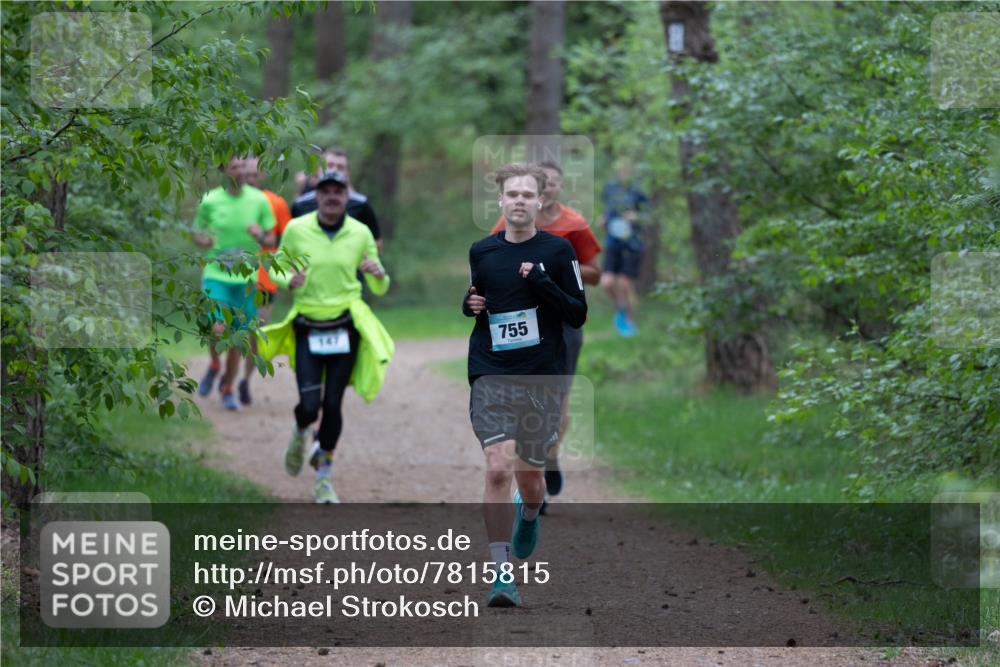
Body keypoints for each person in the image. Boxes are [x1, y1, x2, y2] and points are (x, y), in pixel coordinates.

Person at [464, 163, 587, 607]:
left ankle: (530, 513)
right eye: (511, 193)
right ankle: (501, 575)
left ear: (540, 201)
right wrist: (469, 303)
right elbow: (478, 298)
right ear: (500, 201)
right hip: (491, 369)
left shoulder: (558, 252)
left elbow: (577, 313)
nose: (518, 200)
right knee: (498, 466)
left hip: (541, 375)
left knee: (529, 477)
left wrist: (540, 281)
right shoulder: (482, 250)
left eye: (526, 194)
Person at [259, 169, 393, 504]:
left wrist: (377, 274)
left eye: (338, 191)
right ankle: (301, 430)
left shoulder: (360, 232)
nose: (332, 197)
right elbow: (276, 266)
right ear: (316, 196)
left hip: (346, 324)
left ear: (347, 197)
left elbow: (379, 281)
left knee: (332, 404)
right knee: (309, 405)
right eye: (326, 192)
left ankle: (323, 478)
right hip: (308, 324)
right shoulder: (296, 229)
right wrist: (289, 279)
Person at [489, 160, 601, 507]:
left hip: (563, 324)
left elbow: (595, 273)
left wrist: (551, 269)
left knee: (557, 398)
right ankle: (531, 464)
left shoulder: (574, 225)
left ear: (555, 189)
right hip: (521, 321)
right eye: (543, 182)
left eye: (552, 183)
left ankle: (545, 457)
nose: (548, 188)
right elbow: (494, 260)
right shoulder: (510, 220)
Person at [193, 156, 276, 411]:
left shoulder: (259, 200)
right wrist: (204, 241)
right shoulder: (210, 200)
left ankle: (228, 387)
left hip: (247, 280)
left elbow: (271, 236)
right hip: (216, 276)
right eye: (235, 167)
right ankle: (214, 364)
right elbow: (197, 231)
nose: (241, 172)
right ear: (223, 171)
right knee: (217, 329)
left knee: (237, 337)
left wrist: (260, 235)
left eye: (243, 167)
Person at [238, 156, 292, 405]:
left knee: (255, 336)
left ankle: (244, 381)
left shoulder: (277, 203)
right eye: (245, 174)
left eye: (254, 174)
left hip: (263, 282)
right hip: (232, 278)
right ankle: (220, 370)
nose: (249, 179)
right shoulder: (228, 202)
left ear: (262, 175)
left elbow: (287, 240)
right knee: (227, 330)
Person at [291, 147, 383, 254]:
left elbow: (376, 244)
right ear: (319, 169)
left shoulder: (361, 205)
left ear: (348, 173)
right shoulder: (301, 204)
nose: (334, 170)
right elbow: (291, 240)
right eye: (329, 165)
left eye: (340, 167)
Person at [599, 158, 649, 337]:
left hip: (632, 243)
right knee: (607, 282)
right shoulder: (610, 188)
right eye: (620, 169)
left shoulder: (638, 190)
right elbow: (607, 211)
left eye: (626, 169)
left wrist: (636, 216)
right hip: (613, 241)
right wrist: (603, 220)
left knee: (625, 284)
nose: (623, 172)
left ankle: (628, 319)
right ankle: (621, 308)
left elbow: (649, 214)